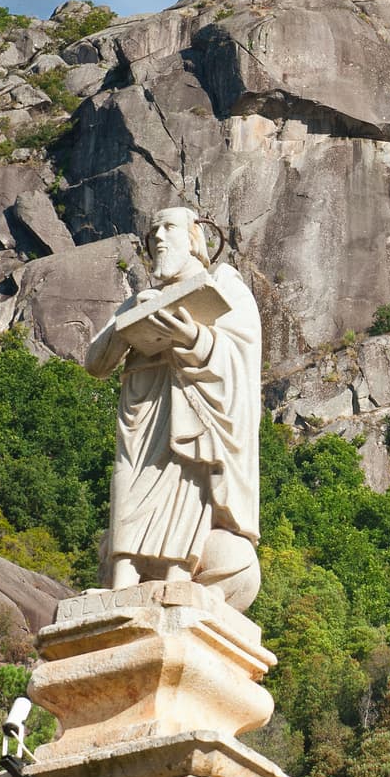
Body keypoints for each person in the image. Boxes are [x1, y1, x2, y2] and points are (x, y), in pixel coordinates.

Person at [85, 207, 262, 611]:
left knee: (187, 481)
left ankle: (177, 577)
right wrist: (126, 321)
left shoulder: (222, 283)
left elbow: (242, 356)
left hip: (194, 407)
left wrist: (192, 335)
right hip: (141, 409)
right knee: (129, 484)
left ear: (194, 238)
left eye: (168, 229)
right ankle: (122, 580)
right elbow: (95, 364)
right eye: (152, 233)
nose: (158, 239)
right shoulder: (137, 298)